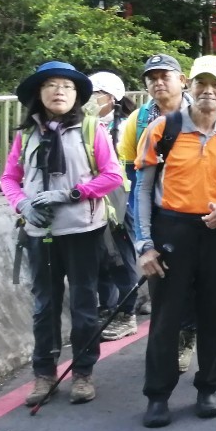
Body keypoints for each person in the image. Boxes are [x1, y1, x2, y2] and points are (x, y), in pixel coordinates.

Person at [134, 56, 216, 427]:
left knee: (214, 312)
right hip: (172, 231)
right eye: (201, 83)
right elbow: (142, 190)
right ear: (189, 85)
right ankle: (158, 394)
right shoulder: (161, 129)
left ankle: (208, 387)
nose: (208, 91)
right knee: (166, 317)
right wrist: (144, 244)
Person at [0, 62, 123, 407]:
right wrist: (23, 204)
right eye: (51, 86)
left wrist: (72, 193)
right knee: (44, 306)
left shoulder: (90, 129)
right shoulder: (26, 135)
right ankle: (44, 374)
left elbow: (112, 176)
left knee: (84, 305)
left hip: (83, 231)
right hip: (40, 233)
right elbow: (9, 179)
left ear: (77, 95)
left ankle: (83, 372)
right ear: (38, 94)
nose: (59, 92)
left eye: (67, 87)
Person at [118, 53, 192, 345]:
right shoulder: (138, 120)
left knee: (196, 284)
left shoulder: (203, 116)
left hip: (196, 212)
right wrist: (143, 232)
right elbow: (133, 176)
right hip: (158, 213)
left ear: (182, 81)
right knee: (163, 280)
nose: (158, 82)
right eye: (152, 78)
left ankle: (190, 335)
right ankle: (167, 342)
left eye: (165, 76)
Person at [89, 71, 139, 342]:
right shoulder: (88, 124)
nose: (91, 100)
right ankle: (107, 307)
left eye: (96, 95)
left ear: (111, 98)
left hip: (121, 198)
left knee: (120, 255)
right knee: (100, 256)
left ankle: (126, 312)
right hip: (95, 198)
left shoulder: (126, 125)